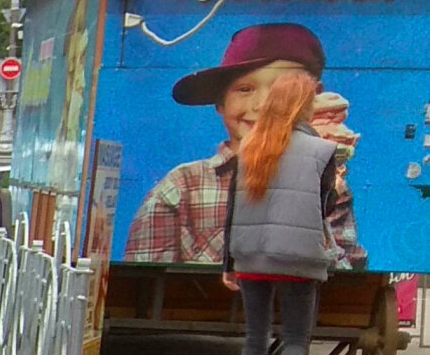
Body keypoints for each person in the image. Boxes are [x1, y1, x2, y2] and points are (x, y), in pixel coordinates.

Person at [125, 24, 364, 270]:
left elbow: (343, 277)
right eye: (244, 89)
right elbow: (145, 281)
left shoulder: (326, 181)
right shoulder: (182, 188)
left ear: (311, 101)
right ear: (221, 103)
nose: (261, 105)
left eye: (280, 92)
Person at [224, 70, 339, 355]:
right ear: (303, 106)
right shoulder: (322, 151)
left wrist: (229, 263)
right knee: (295, 340)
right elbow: (325, 206)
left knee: (255, 340)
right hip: (297, 257)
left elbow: (232, 208)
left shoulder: (249, 146)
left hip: (251, 255)